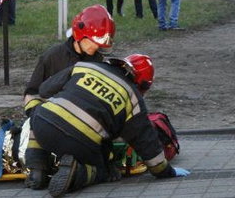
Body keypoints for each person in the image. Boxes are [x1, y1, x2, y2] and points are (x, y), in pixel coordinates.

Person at [25, 54, 190, 197]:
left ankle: (37, 169)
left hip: (43, 126)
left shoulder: (86, 66)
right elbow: (146, 143)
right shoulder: (132, 98)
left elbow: (45, 89)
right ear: (144, 84)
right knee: (107, 169)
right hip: (80, 143)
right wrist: (166, 171)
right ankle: (78, 174)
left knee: (39, 113)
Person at [24, 4, 115, 110]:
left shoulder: (102, 61)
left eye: (101, 42)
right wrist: (35, 115)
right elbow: (32, 93)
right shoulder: (53, 57)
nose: (96, 46)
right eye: (93, 40)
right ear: (79, 33)